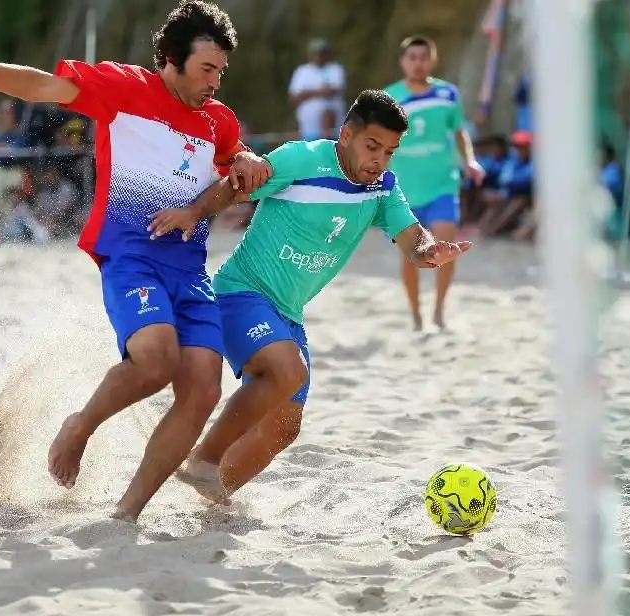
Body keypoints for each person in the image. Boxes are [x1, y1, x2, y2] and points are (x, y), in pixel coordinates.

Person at [0, 0, 271, 523]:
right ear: (172, 60)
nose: (216, 81)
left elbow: (229, 170)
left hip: (190, 268)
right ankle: (79, 426)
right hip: (131, 254)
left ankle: (126, 513)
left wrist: (245, 160)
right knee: (156, 360)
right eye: (206, 69)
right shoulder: (123, 88)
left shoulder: (217, 121)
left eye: (221, 70)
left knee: (202, 389)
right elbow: (39, 85)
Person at [147, 90, 470, 505]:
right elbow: (237, 185)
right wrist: (193, 211)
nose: (379, 160)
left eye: (390, 152)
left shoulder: (383, 189)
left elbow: (412, 239)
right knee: (287, 371)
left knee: (284, 427)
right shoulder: (302, 159)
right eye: (372, 147)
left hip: (288, 313)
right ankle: (202, 460)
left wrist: (429, 251)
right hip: (240, 292)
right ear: (346, 134)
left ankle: (213, 499)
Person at [383, 36, 484, 331]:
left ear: (433, 60)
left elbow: (459, 132)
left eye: (423, 57)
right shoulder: (390, 98)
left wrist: (470, 160)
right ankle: (416, 315)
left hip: (442, 184)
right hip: (404, 191)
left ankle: (439, 310)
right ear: (403, 62)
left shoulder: (447, 94)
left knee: (447, 246)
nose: (418, 63)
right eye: (412, 57)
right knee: (412, 255)